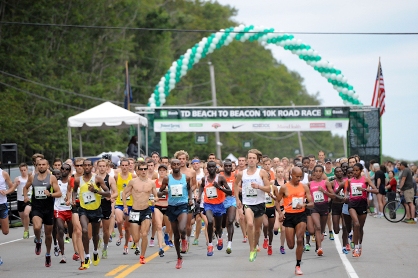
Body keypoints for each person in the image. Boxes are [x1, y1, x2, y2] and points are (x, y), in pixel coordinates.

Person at [23, 159, 62, 267]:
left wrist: (50, 194)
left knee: (49, 235)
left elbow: (59, 193)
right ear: (37, 166)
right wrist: (25, 196)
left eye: (43, 165)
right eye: (39, 165)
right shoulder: (32, 177)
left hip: (48, 209)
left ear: (47, 166)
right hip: (37, 208)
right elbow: (25, 188)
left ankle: (48, 254)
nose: (41, 166)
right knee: (37, 227)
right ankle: (38, 240)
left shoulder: (52, 178)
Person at [234, 149, 271, 262]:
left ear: (257, 160)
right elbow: (235, 185)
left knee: (257, 230)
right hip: (248, 203)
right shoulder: (241, 173)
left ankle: (255, 246)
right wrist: (237, 200)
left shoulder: (262, 173)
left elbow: (268, 188)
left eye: (253, 158)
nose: (251, 160)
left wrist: (259, 187)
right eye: (249, 158)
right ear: (246, 160)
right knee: (250, 224)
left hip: (259, 203)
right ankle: (251, 250)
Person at [276, 167, 314, 275]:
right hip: (289, 216)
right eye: (296, 176)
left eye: (300, 176)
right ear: (291, 175)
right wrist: (280, 213)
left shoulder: (304, 187)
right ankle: (296, 258)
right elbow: (277, 202)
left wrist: (304, 204)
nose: (299, 178)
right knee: (291, 245)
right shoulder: (284, 187)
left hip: (301, 215)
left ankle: (298, 265)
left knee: (300, 239)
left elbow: (312, 203)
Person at [73, 159, 110, 268]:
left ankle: (94, 251)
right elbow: (75, 190)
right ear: (83, 167)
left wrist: (96, 191)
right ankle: (87, 256)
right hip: (83, 210)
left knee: (95, 235)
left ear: (92, 167)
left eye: (89, 165)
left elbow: (108, 193)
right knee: (84, 230)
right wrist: (73, 199)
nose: (87, 167)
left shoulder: (97, 179)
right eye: (85, 165)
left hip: (96, 210)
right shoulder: (77, 180)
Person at [159, 159, 193, 269]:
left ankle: (184, 239)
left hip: (183, 205)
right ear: (171, 166)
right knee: (175, 234)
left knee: (182, 228)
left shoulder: (185, 177)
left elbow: (189, 188)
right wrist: (163, 192)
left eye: (178, 164)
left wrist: (190, 198)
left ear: (181, 165)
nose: (176, 166)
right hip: (171, 207)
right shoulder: (167, 178)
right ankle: (179, 258)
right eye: (174, 164)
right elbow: (160, 191)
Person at [123, 161, 158, 264]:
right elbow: (124, 193)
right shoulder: (133, 182)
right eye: (141, 169)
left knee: (144, 234)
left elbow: (156, 196)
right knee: (136, 238)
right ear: (137, 170)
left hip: (146, 210)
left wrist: (154, 200)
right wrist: (125, 206)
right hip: (134, 211)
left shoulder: (151, 183)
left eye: (145, 169)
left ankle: (142, 256)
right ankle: (136, 243)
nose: (143, 171)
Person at [198, 161, 231, 256]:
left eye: (213, 167)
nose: (211, 169)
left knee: (218, 226)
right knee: (209, 222)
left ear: (216, 168)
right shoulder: (204, 179)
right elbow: (201, 187)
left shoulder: (220, 178)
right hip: (208, 204)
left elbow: (229, 192)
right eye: (210, 167)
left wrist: (219, 187)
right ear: (207, 169)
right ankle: (210, 245)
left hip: (219, 205)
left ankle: (220, 238)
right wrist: (199, 197)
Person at [346, 163, 377, 257]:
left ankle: (360, 245)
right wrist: (346, 196)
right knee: (356, 224)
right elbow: (347, 191)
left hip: (362, 205)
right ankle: (355, 248)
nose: (354, 172)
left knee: (360, 228)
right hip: (352, 204)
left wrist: (365, 190)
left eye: (356, 170)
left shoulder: (366, 180)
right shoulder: (350, 181)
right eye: (353, 171)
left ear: (361, 171)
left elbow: (376, 190)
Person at [308, 165, 335, 256]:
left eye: (320, 171)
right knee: (318, 227)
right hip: (314, 207)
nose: (318, 173)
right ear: (314, 172)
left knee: (322, 229)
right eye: (317, 171)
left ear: (322, 173)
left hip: (324, 206)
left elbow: (333, 195)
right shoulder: (310, 184)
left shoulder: (326, 183)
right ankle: (320, 248)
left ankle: (319, 239)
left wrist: (324, 191)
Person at [96, 159, 118, 259]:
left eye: (103, 166)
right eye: (100, 166)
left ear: (107, 167)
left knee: (105, 230)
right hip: (94, 205)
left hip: (105, 205)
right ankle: (96, 248)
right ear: (97, 167)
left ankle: (104, 248)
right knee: (96, 228)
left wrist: (111, 197)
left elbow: (116, 192)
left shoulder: (110, 179)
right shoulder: (93, 178)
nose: (101, 168)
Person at [54, 163, 73, 263]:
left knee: (72, 232)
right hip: (58, 209)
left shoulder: (72, 181)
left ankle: (77, 252)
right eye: (62, 168)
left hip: (70, 209)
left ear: (69, 171)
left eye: (67, 169)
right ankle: (63, 255)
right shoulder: (56, 182)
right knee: (60, 229)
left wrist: (71, 199)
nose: (64, 170)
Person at [114, 158, 134, 254]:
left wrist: (128, 194)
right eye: (123, 165)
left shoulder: (133, 176)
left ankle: (126, 245)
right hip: (119, 203)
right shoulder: (116, 176)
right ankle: (120, 234)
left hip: (130, 204)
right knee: (119, 220)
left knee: (127, 227)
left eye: (127, 165)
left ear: (129, 166)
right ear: (120, 166)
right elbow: (113, 188)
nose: (125, 167)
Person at [221, 160, 237, 254]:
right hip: (221, 200)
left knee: (230, 221)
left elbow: (240, 186)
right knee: (222, 224)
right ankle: (220, 237)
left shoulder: (235, 175)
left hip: (232, 199)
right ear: (223, 167)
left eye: (229, 166)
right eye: (226, 166)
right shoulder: (220, 176)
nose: (228, 167)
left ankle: (229, 244)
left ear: (232, 167)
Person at [14, 163, 32, 239]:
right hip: (20, 199)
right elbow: (12, 187)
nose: (23, 171)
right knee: (22, 217)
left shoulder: (30, 178)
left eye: (24, 170)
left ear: (27, 169)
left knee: (26, 213)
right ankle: (26, 227)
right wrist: (16, 184)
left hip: (28, 199)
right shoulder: (17, 178)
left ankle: (26, 230)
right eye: (21, 170)